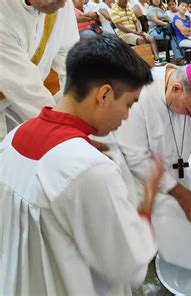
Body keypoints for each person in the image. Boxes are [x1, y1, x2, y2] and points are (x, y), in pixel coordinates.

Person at [0, 34, 162, 295]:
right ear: (105, 94)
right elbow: (127, 265)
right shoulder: (89, 168)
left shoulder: (13, 137)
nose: (126, 116)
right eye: (129, 104)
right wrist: (148, 199)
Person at [114, 61, 191, 272]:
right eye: (189, 110)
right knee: (148, 242)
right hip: (142, 184)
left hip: (179, 176)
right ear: (176, 88)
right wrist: (177, 191)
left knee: (182, 236)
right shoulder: (139, 94)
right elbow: (135, 155)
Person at [0, 0, 79, 140]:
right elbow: (25, 88)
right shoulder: (4, 12)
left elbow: (69, 56)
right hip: (20, 92)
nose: (61, 5)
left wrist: (77, 103)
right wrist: (66, 133)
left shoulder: (61, 8)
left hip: (23, 99)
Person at [147, 0, 185, 65]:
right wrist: (167, 24)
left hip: (163, 29)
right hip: (154, 30)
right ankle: (179, 58)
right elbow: (155, 21)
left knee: (175, 33)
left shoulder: (162, 9)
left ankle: (182, 56)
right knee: (171, 35)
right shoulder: (151, 9)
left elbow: (168, 19)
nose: (157, 1)